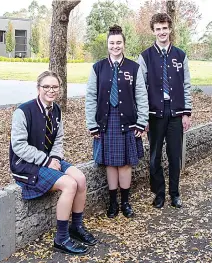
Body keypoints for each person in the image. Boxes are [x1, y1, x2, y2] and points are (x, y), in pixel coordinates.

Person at [9, 70, 97, 255]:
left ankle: (77, 227)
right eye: (46, 86)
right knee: (69, 184)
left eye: (55, 87)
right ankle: (61, 238)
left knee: (80, 178)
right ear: (38, 88)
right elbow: (18, 146)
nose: (51, 90)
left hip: (50, 160)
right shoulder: (23, 111)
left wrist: (55, 158)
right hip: (26, 165)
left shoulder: (56, 109)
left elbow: (58, 139)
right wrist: (46, 160)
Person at [85, 25, 149, 218]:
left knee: (125, 164)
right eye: (112, 43)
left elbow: (141, 97)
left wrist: (141, 122)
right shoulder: (98, 68)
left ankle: (126, 203)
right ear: (107, 45)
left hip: (127, 122)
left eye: (118, 42)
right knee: (110, 164)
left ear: (124, 44)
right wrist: (92, 123)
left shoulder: (133, 68)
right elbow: (90, 97)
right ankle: (113, 203)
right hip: (105, 122)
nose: (115, 46)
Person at [137, 13, 192, 209]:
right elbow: (140, 89)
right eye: (158, 29)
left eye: (165, 28)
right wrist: (143, 117)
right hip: (154, 115)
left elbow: (186, 85)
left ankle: (175, 193)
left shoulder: (180, 55)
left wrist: (186, 113)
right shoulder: (145, 57)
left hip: (176, 113)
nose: (162, 32)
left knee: (175, 156)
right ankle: (159, 193)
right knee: (154, 157)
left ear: (170, 29)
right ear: (153, 31)